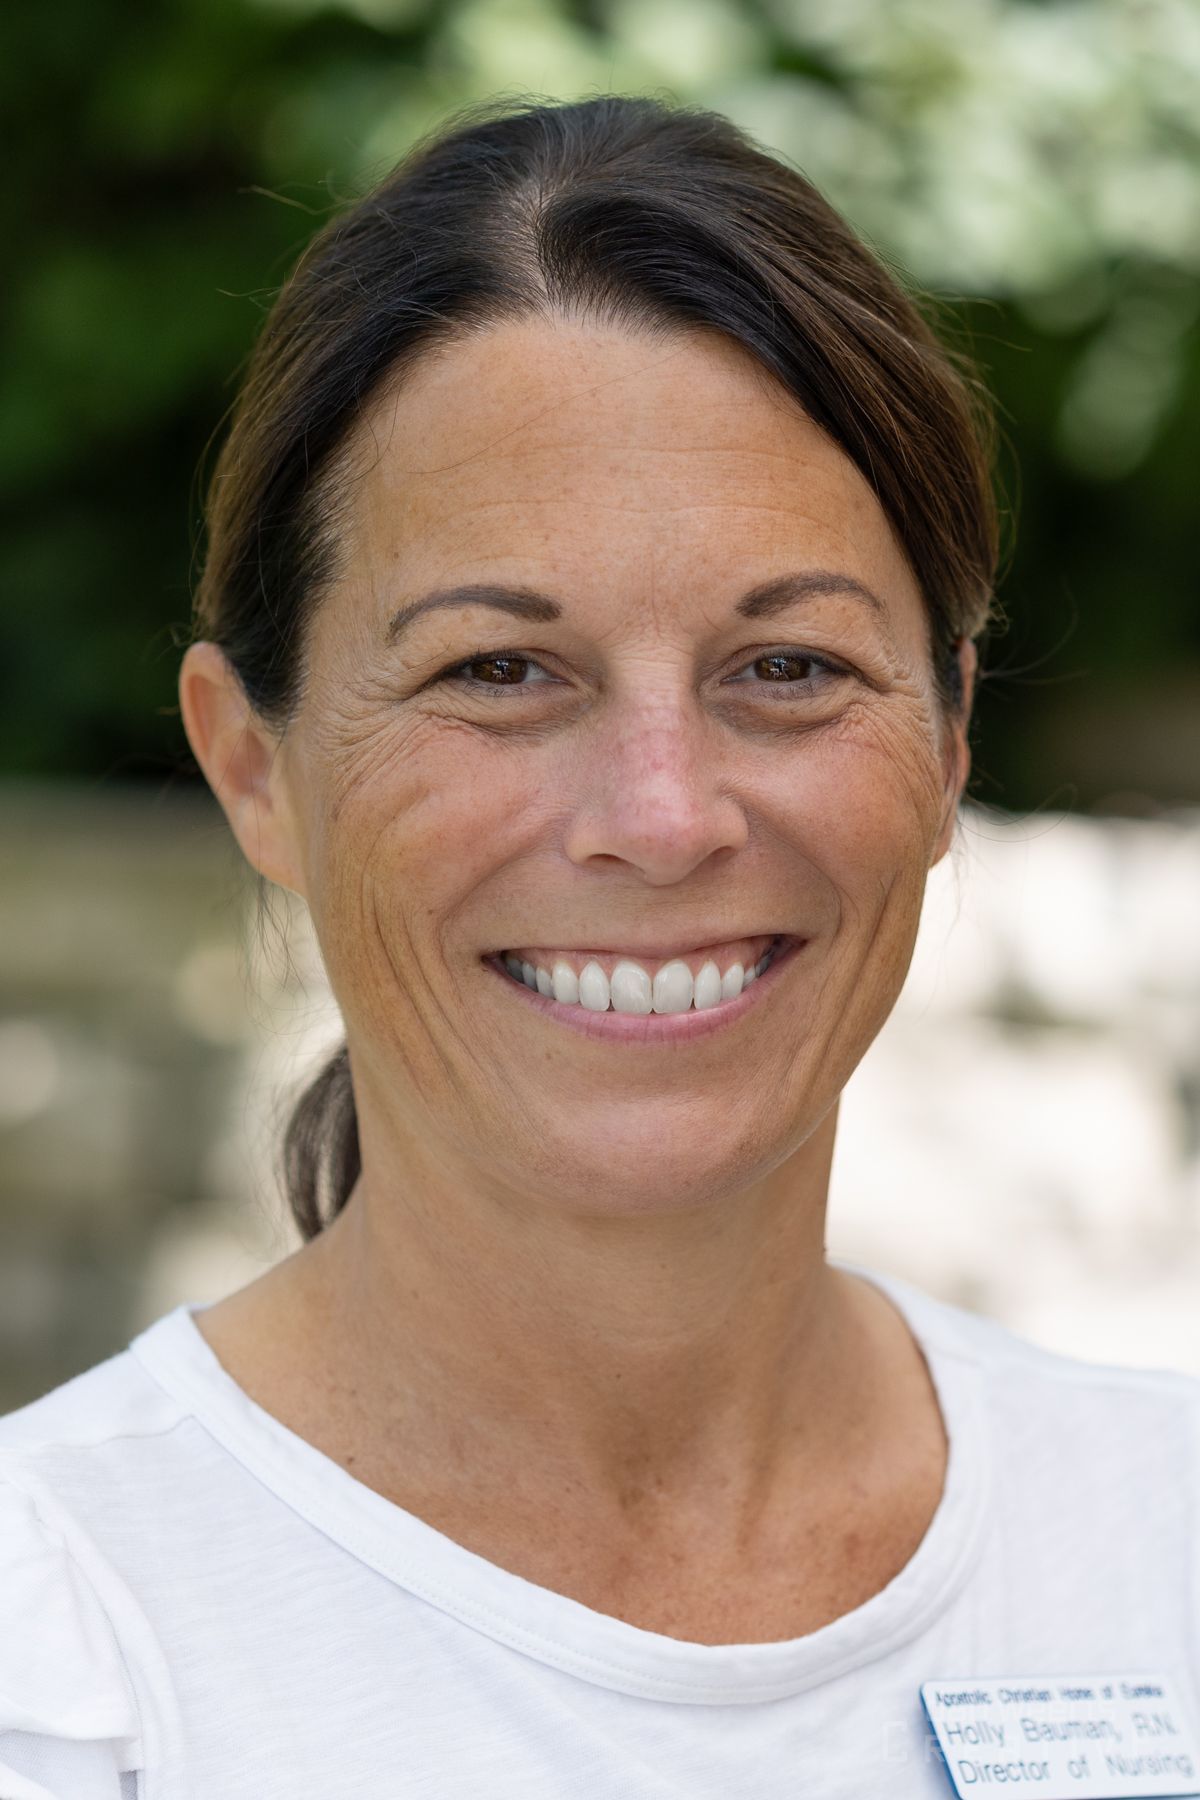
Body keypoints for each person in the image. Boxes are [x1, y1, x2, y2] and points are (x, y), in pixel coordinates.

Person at [2, 94, 1197, 1800]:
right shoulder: (59, 1651)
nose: (662, 814)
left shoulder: (1164, 1547)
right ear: (254, 767)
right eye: (499, 670)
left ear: (945, 748)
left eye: (787, 667)